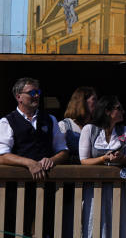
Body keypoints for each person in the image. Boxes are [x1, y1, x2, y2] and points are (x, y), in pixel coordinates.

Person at [0, 77, 69, 236]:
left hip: (47, 188)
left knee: (48, 230)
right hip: (16, 190)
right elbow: (2, 155)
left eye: (38, 92)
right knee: (16, 230)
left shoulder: (50, 119)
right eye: (32, 92)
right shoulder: (7, 121)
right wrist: (29, 163)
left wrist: (51, 160)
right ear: (19, 97)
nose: (37, 95)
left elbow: (63, 152)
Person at [79, 95, 126, 238]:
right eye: (119, 108)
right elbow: (84, 160)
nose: (123, 111)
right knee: (94, 222)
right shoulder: (89, 130)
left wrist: (121, 159)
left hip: (120, 187)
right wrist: (104, 158)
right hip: (94, 187)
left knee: (119, 223)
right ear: (107, 111)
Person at [59, 86, 97, 163]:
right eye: (94, 99)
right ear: (83, 102)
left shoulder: (96, 127)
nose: (97, 103)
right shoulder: (64, 126)